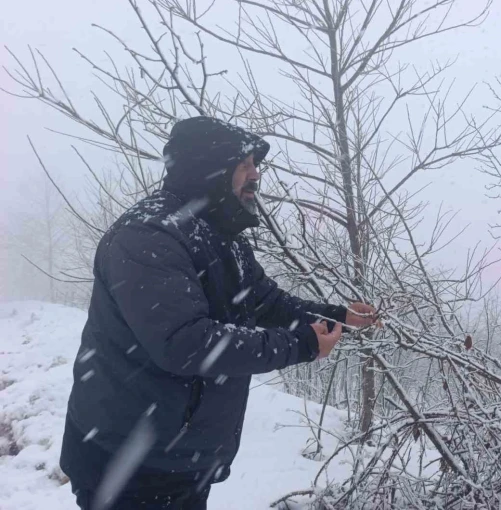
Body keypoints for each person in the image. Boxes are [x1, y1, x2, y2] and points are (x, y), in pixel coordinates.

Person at [59, 116, 377, 510]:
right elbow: (186, 344)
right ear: (209, 168)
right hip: (129, 465)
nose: (255, 175)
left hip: (180, 456)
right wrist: (302, 344)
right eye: (245, 164)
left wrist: (338, 316)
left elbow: (265, 302)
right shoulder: (147, 236)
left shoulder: (219, 236)